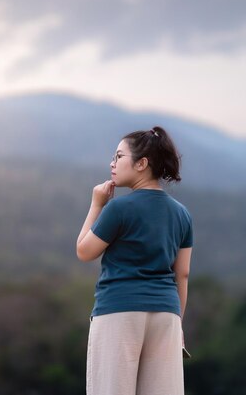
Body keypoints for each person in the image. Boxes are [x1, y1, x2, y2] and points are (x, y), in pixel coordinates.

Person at [76, 126, 193, 395]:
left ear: (141, 164)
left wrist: (97, 205)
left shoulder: (118, 208)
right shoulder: (182, 214)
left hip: (119, 311)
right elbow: (182, 274)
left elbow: (84, 251)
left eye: (118, 157)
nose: (112, 164)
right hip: (166, 315)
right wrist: (178, 321)